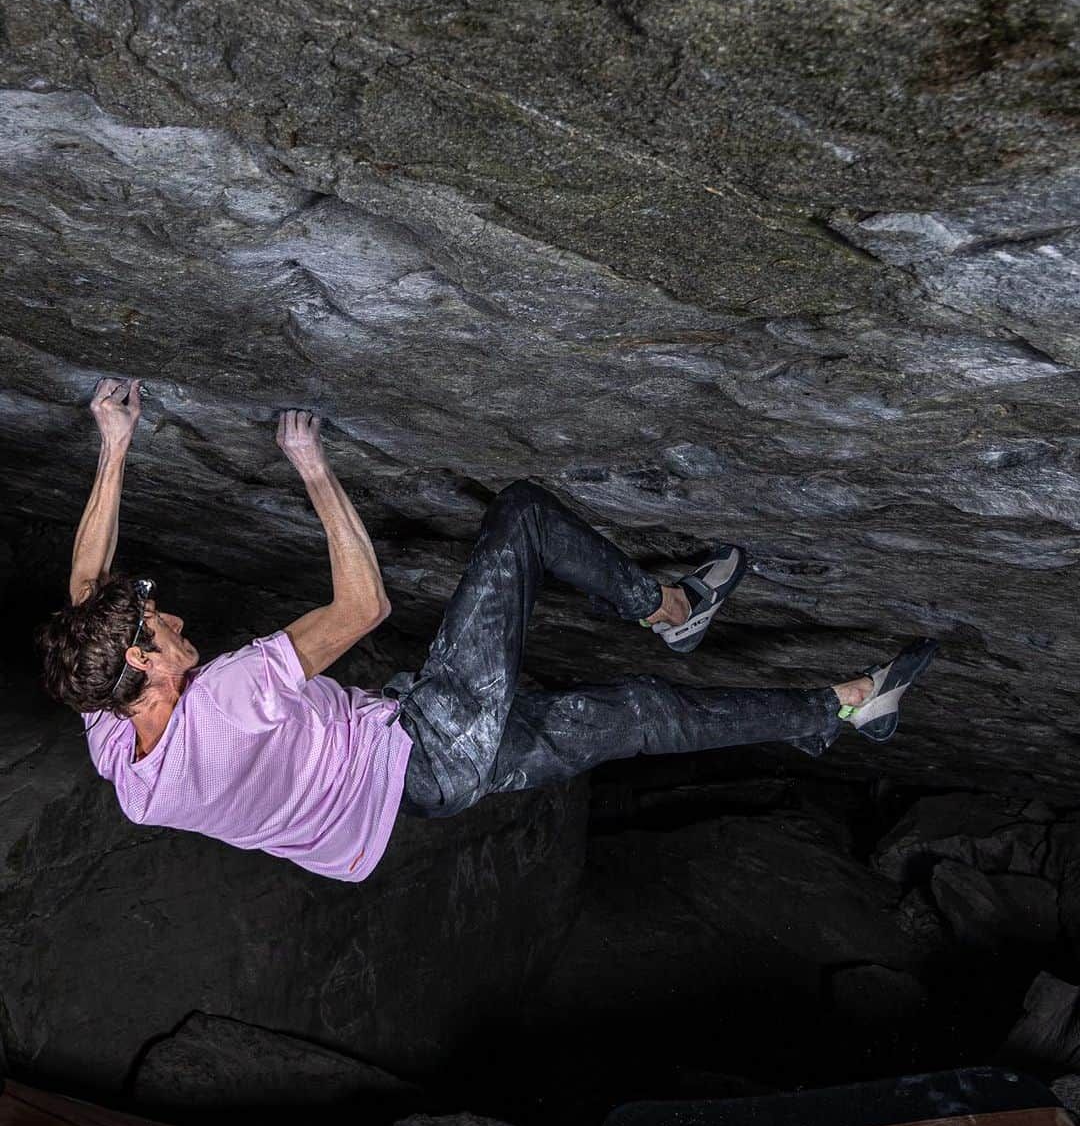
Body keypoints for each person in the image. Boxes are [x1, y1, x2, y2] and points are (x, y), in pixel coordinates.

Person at [36, 377, 937, 883]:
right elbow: (363, 608)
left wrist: (114, 445)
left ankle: (846, 710)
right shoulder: (227, 700)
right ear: (147, 667)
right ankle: (671, 611)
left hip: (416, 791)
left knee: (637, 715)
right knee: (522, 518)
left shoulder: (124, 753)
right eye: (161, 622)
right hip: (430, 743)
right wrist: (311, 467)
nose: (177, 616)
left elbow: (87, 591)